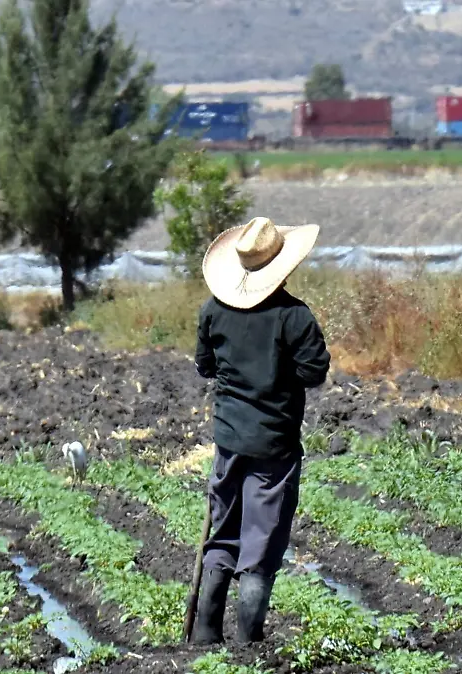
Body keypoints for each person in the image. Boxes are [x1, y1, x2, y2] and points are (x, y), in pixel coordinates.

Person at [192, 216, 331, 645]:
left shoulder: (213, 310)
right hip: (275, 443)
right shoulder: (295, 317)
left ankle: (204, 636)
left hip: (229, 439)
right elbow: (313, 371)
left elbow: (205, 366)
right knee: (261, 537)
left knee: (223, 529)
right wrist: (276, 375)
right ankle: (247, 643)